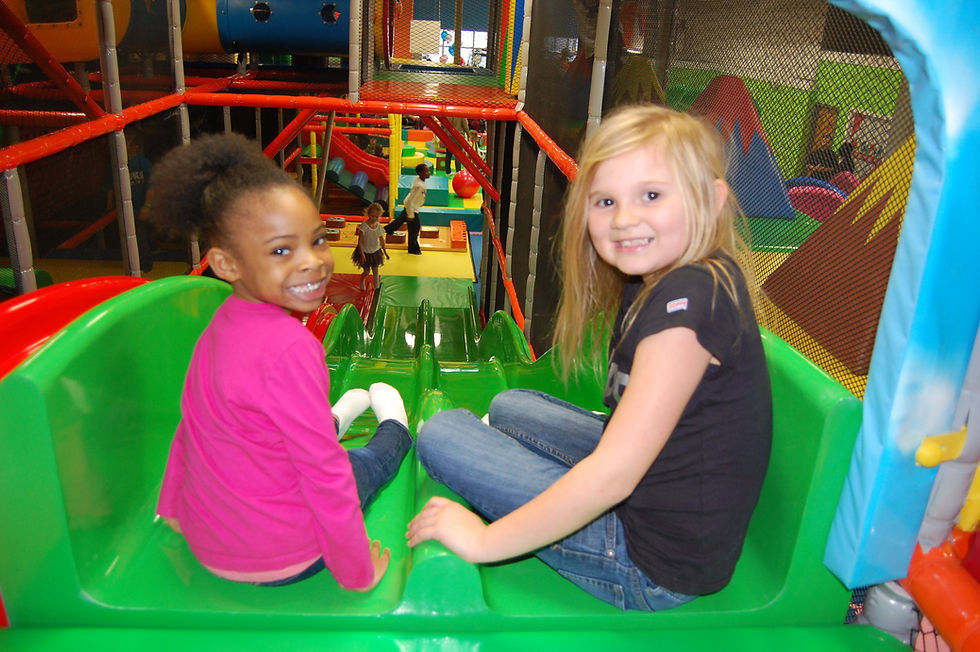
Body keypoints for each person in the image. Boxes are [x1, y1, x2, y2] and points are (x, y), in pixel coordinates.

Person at [406, 105, 773, 612]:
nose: (624, 219)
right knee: (512, 404)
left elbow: (614, 477)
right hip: (664, 494)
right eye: (605, 201)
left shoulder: (688, 303)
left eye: (651, 195)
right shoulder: (674, 276)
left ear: (710, 201)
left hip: (650, 564)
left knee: (441, 434)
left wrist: (483, 542)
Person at [150, 132, 413, 590]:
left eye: (317, 240)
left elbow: (189, 427)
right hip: (284, 558)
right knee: (362, 466)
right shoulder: (291, 348)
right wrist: (357, 572)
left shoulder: (214, 330)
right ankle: (397, 427)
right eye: (280, 251)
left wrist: (173, 509)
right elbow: (325, 476)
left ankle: (337, 414)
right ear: (227, 264)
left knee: (286, 433)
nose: (312, 262)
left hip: (210, 545)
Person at [106, 129, 154, 272]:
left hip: (140, 205)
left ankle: (146, 265)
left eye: (126, 143)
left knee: (141, 235)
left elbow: (152, 186)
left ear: (135, 148)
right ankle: (135, 263)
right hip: (125, 208)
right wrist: (109, 203)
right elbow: (110, 185)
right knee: (132, 236)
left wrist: (147, 206)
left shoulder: (143, 163)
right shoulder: (116, 164)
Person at [384, 163, 429, 255]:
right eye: (426, 171)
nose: (429, 173)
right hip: (411, 208)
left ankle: (389, 229)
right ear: (420, 173)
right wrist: (411, 214)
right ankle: (413, 248)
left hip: (412, 207)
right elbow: (410, 200)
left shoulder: (420, 180)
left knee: (400, 220)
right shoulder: (419, 185)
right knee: (415, 228)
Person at [352, 201, 390, 290]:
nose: (374, 218)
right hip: (365, 251)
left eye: (377, 217)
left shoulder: (379, 227)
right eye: (372, 216)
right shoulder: (363, 227)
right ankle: (362, 280)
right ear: (368, 214)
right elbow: (360, 242)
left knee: (376, 270)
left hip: (375, 251)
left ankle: (376, 287)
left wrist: (385, 252)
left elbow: (381, 240)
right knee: (366, 271)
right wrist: (362, 254)